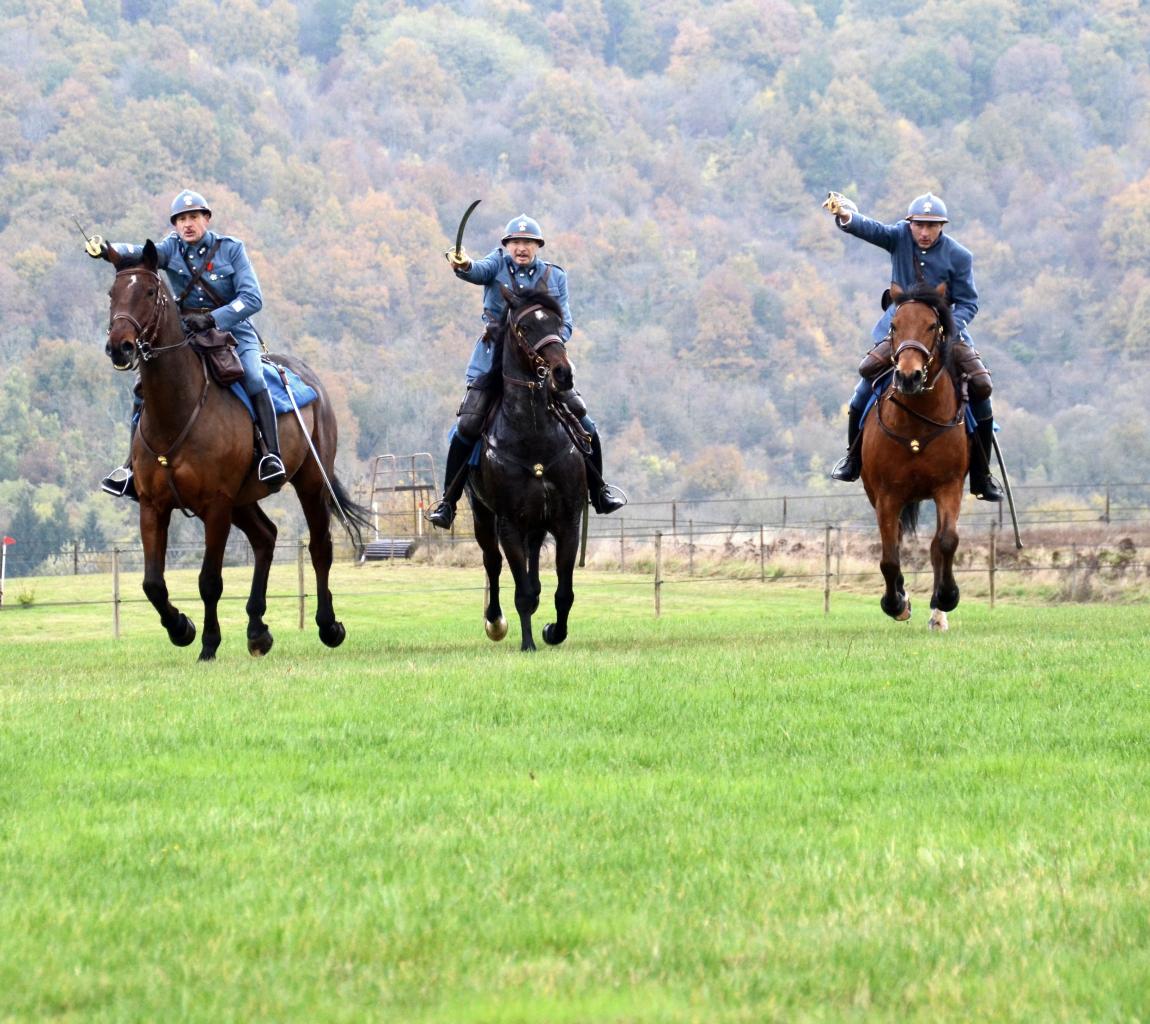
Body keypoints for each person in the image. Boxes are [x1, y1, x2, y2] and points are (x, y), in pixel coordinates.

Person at [425, 214, 627, 528]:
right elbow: (475, 271)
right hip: (494, 363)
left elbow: (566, 323)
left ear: (537, 246)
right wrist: (463, 265)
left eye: (528, 243)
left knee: (586, 421)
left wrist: (550, 346)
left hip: (543, 368)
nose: (522, 248)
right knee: (466, 427)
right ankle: (448, 504)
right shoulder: (496, 265)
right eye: (516, 242)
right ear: (507, 246)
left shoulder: (554, 276)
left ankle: (600, 491)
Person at [92, 188, 286, 498]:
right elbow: (141, 252)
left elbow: (252, 298)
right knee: (146, 384)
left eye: (193, 217)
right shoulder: (171, 249)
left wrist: (213, 319)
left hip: (232, 331)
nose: (187, 224)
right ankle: (130, 467)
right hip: (187, 334)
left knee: (252, 375)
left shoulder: (231, 250)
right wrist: (106, 249)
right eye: (181, 219)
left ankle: (270, 455)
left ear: (206, 219)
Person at [824, 191, 1004, 501]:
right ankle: (853, 461)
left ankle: (982, 476)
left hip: (945, 334)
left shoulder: (960, 256)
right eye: (919, 224)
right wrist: (845, 216)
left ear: (941, 227)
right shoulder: (898, 237)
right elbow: (870, 228)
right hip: (903, 333)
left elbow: (969, 303)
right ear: (910, 224)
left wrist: (948, 328)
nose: (923, 232)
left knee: (981, 388)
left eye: (931, 226)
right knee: (863, 388)